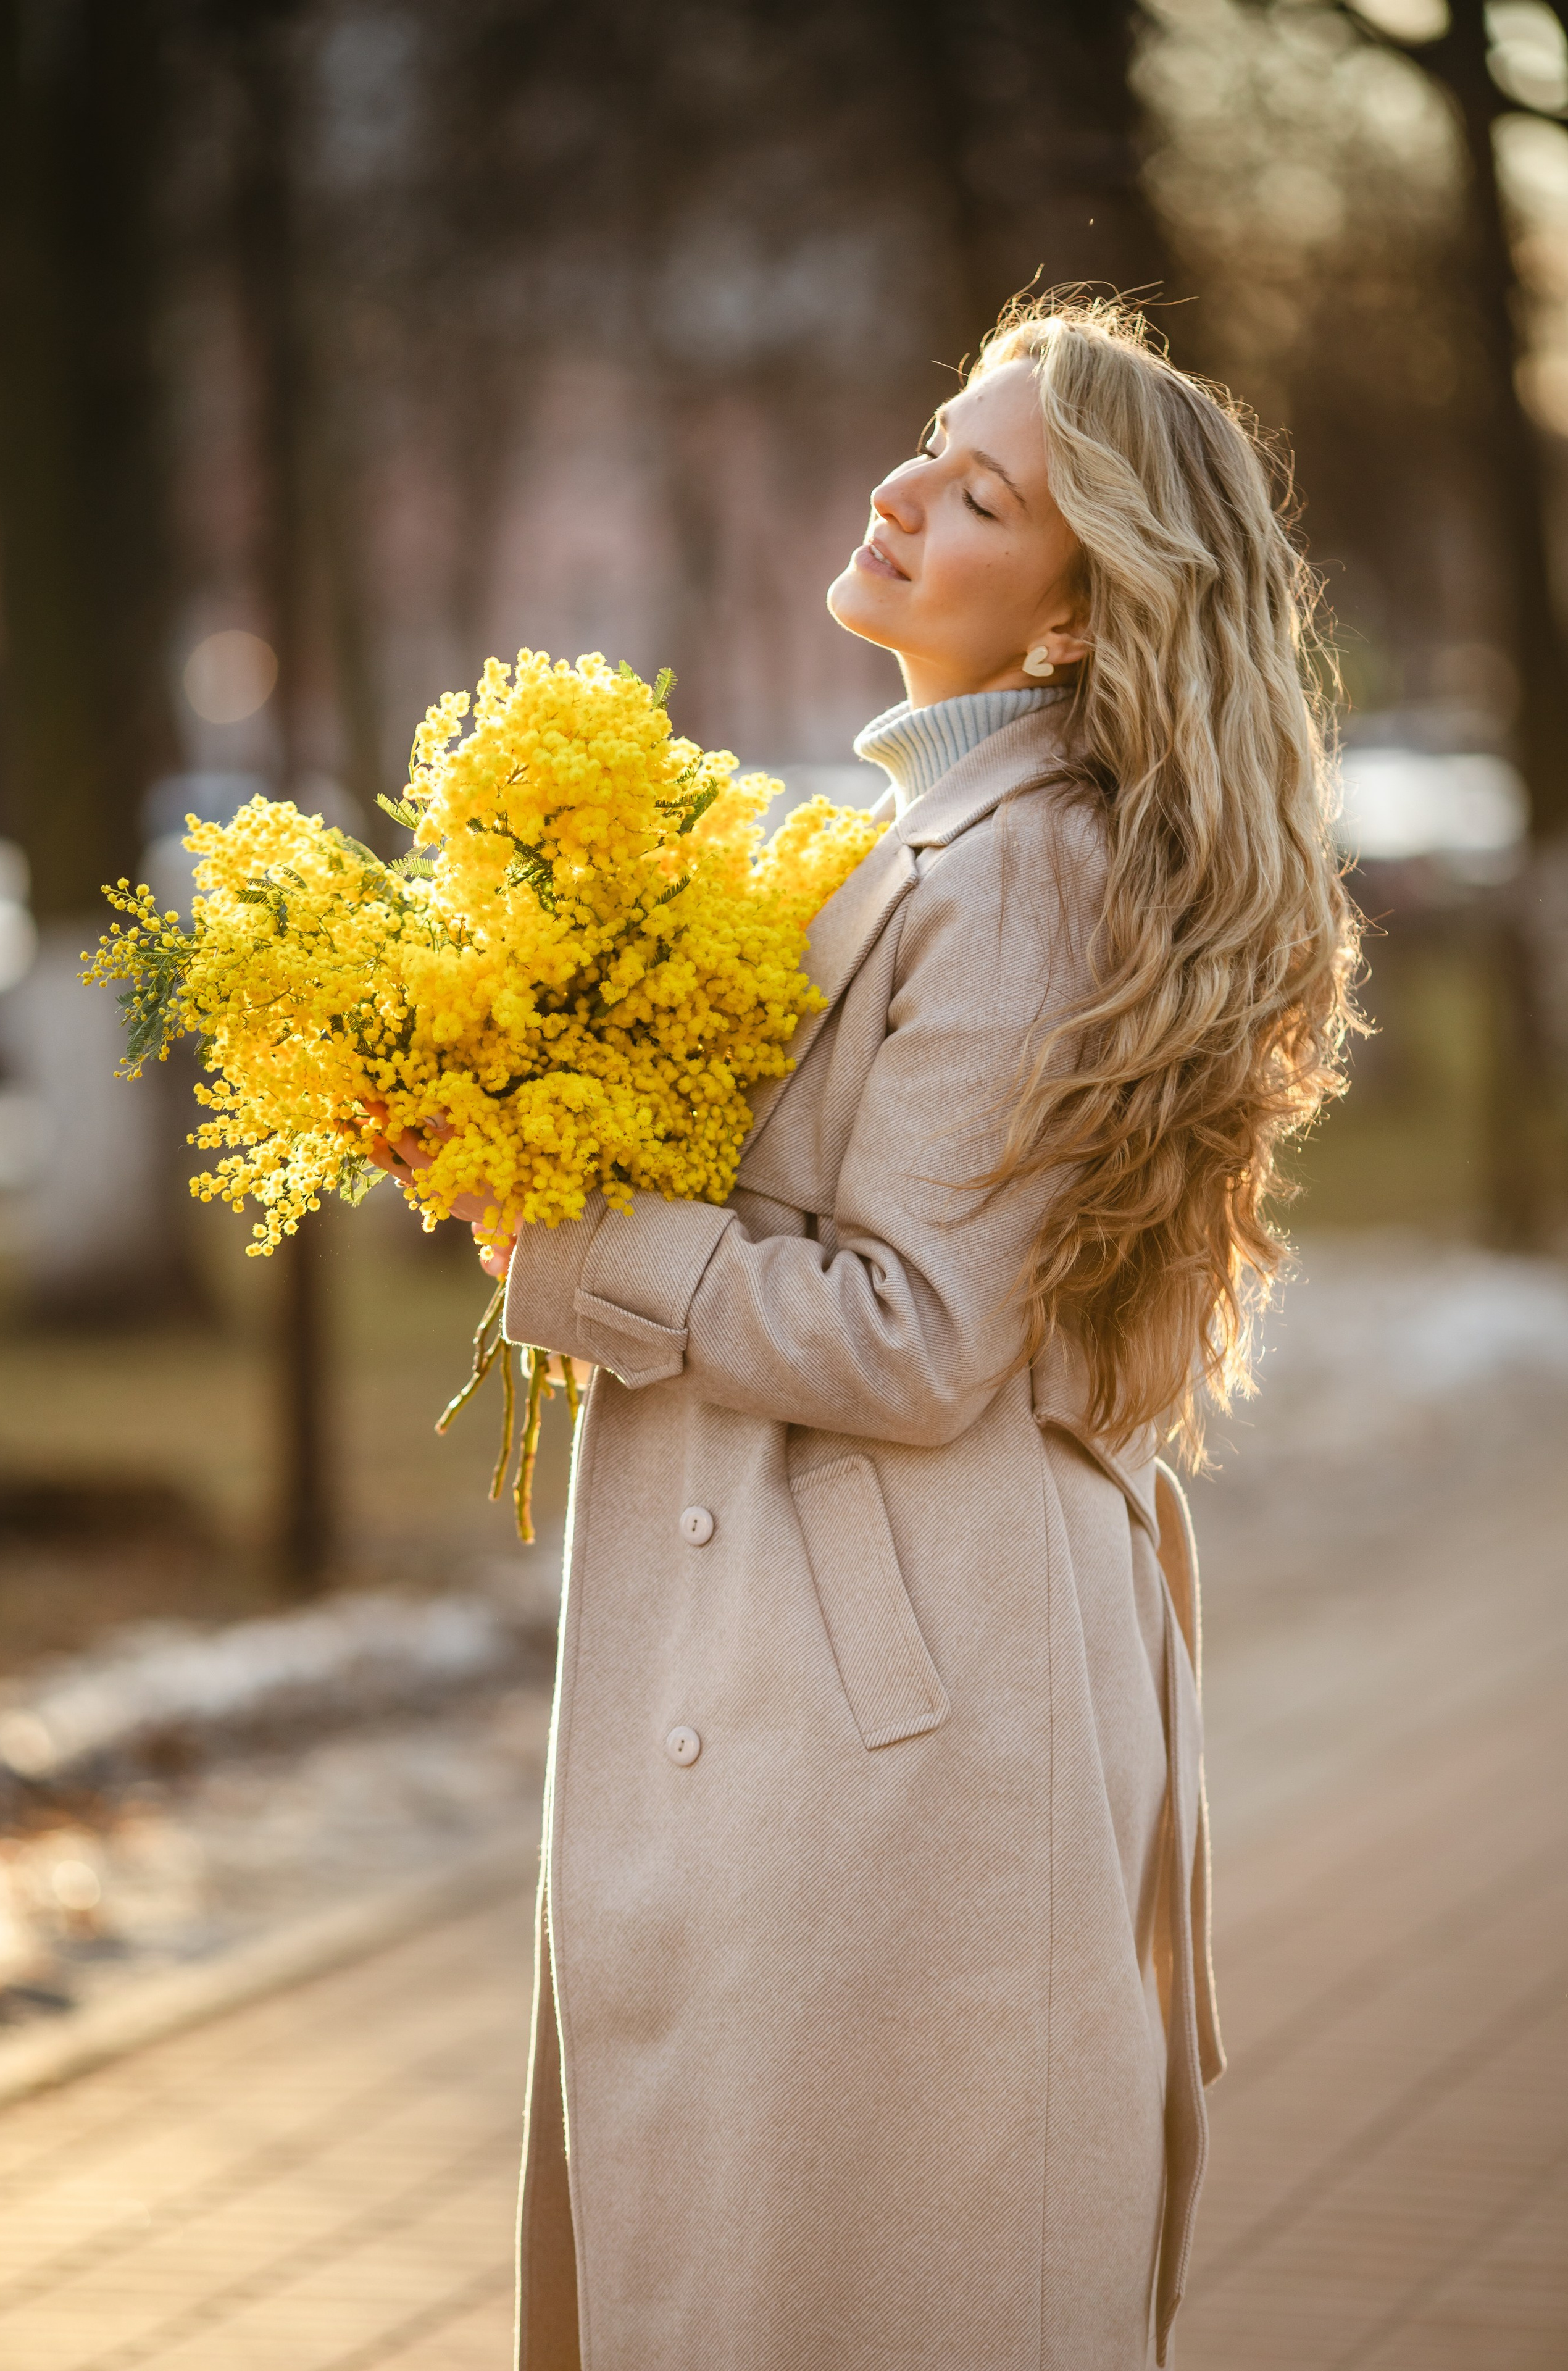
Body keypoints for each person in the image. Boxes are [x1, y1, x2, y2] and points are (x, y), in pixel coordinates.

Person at [378, 293, 1357, 2370]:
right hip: (857, 1675)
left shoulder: (1021, 876)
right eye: (936, 445)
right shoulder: (938, 839)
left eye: (982, 496)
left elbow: (917, 1336)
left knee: (840, 2284)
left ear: (1076, 621)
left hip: (889, 1718)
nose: (905, 492)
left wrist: (569, 1231)